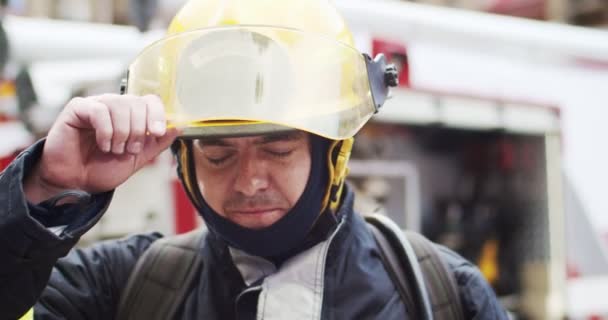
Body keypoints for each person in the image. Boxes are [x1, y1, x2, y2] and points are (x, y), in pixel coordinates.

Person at [0, 0, 508, 319]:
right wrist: (43, 188)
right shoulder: (124, 285)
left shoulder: (441, 294)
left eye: (278, 148)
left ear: (333, 150)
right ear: (182, 159)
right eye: (217, 154)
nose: (248, 181)